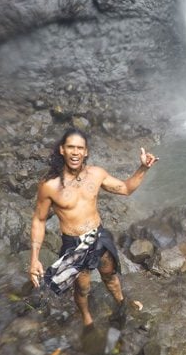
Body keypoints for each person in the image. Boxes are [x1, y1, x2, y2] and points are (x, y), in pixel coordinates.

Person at [28, 128, 158, 328]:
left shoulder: (96, 174)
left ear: (86, 152)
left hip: (99, 236)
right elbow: (39, 219)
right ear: (62, 150)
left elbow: (126, 189)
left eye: (80, 148)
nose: (75, 152)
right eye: (70, 147)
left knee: (110, 274)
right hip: (74, 244)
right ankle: (87, 320)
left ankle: (122, 304)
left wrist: (143, 168)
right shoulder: (50, 185)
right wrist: (35, 258)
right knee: (82, 288)